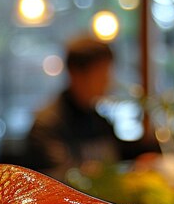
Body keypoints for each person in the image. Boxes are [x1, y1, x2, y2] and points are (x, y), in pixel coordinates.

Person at [23, 35, 154, 178]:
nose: (108, 81)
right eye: (102, 73)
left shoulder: (98, 120)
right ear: (76, 74)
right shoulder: (48, 125)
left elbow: (117, 158)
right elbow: (62, 181)